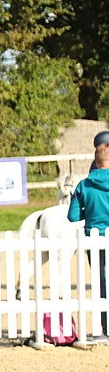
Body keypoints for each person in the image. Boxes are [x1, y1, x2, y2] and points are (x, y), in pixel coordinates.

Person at [68, 131, 109, 338]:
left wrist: (88, 211)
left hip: (95, 240)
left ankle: (105, 328)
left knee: (102, 283)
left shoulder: (83, 185)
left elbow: (73, 217)